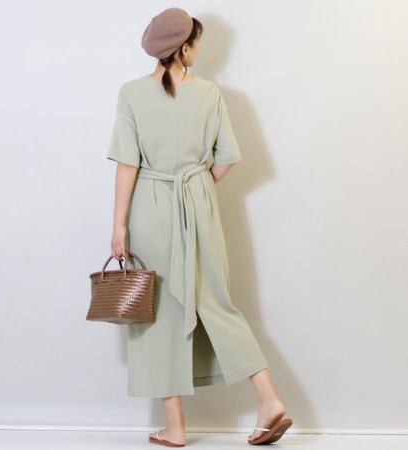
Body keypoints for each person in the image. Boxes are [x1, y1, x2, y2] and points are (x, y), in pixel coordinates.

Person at [108, 7, 293, 447]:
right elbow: (226, 159)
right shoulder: (210, 94)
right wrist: (197, 187)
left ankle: (175, 429)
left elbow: (127, 165)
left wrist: (118, 226)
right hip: (199, 205)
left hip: (150, 210)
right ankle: (269, 399)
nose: (198, 51)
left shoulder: (131, 94)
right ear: (183, 48)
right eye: (195, 44)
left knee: (157, 313)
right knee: (216, 302)